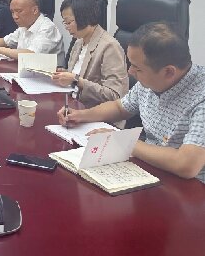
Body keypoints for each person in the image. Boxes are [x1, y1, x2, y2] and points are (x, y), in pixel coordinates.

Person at [58, 22, 205, 183]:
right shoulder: (151, 81)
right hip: (148, 169)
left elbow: (187, 164)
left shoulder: (200, 97)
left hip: (188, 187)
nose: (130, 72)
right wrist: (81, 115)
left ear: (169, 72)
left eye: (137, 68)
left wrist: (121, 140)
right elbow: (119, 107)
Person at [51, 0, 129, 108]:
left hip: (93, 112)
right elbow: (80, 74)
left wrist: (76, 80)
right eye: (64, 22)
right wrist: (64, 73)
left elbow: (115, 95)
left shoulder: (110, 46)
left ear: (84, 18)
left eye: (69, 22)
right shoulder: (79, 41)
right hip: (72, 103)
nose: (66, 27)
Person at [0, 0, 64, 65]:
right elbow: (5, 41)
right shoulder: (24, 25)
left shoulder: (48, 28)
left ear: (35, 10)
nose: (15, 16)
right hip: (26, 71)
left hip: (48, 75)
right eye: (12, 12)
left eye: (19, 11)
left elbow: (32, 54)